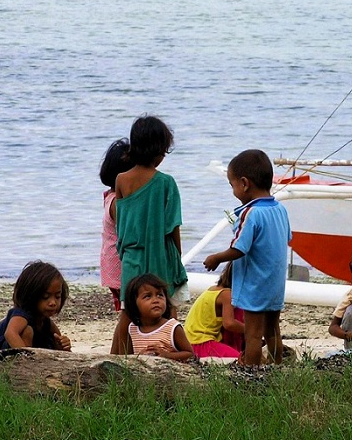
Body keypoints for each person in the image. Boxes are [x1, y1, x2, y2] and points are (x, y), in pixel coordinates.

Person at [203, 149, 291, 367]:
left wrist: (217, 257)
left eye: (232, 185)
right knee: (273, 332)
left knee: (252, 335)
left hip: (255, 285)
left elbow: (239, 248)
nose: (233, 190)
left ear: (244, 183)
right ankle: (276, 368)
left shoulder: (250, 213)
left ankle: (252, 375)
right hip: (275, 283)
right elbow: (287, 238)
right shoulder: (280, 209)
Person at [111, 115, 188, 353]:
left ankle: (117, 358)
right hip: (159, 255)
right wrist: (178, 257)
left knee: (128, 311)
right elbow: (172, 227)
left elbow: (121, 225)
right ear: (159, 151)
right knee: (166, 308)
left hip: (132, 258)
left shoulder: (121, 180)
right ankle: (172, 353)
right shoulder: (166, 183)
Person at [0, 261, 71, 364]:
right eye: (45, 297)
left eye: (57, 296)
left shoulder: (47, 324)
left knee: (52, 340)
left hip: (25, 360)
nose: (53, 302)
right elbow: (10, 333)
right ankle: (25, 366)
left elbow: (63, 352)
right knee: (27, 331)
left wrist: (63, 346)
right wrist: (28, 363)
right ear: (31, 296)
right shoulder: (21, 315)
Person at [113, 273, 193, 362]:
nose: (156, 300)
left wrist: (167, 355)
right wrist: (140, 357)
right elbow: (129, 359)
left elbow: (190, 354)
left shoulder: (172, 327)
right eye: (148, 296)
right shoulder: (132, 329)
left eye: (160, 295)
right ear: (134, 303)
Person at [184, 262, 245, 359]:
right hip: (200, 343)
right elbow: (229, 324)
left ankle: (237, 347)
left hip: (191, 341)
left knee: (238, 310)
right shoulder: (227, 295)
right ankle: (237, 350)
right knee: (239, 360)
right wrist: (252, 331)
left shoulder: (216, 289)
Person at [99, 137, 132, 311]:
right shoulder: (118, 204)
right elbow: (131, 232)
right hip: (119, 267)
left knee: (126, 311)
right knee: (129, 311)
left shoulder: (110, 196)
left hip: (112, 264)